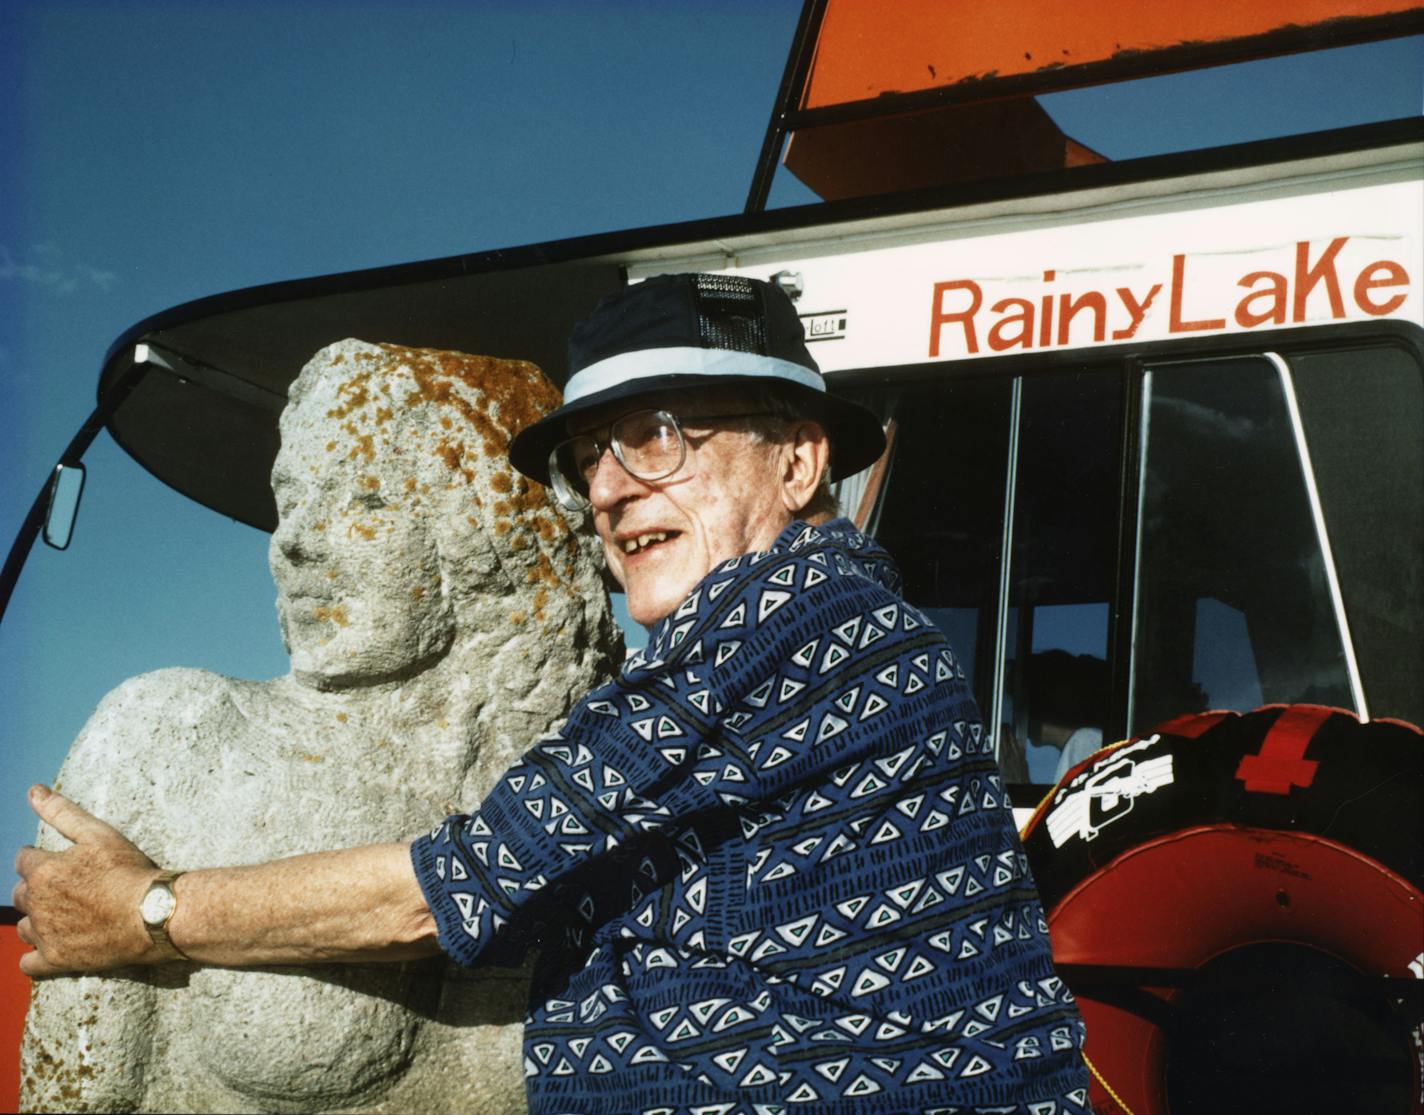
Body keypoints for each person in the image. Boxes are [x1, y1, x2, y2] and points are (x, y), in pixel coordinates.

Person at [15, 273, 1091, 1113]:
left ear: (799, 462)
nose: (613, 486)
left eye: (661, 435)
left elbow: (444, 890)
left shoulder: (791, 621)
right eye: (589, 456)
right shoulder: (800, 634)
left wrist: (149, 909)